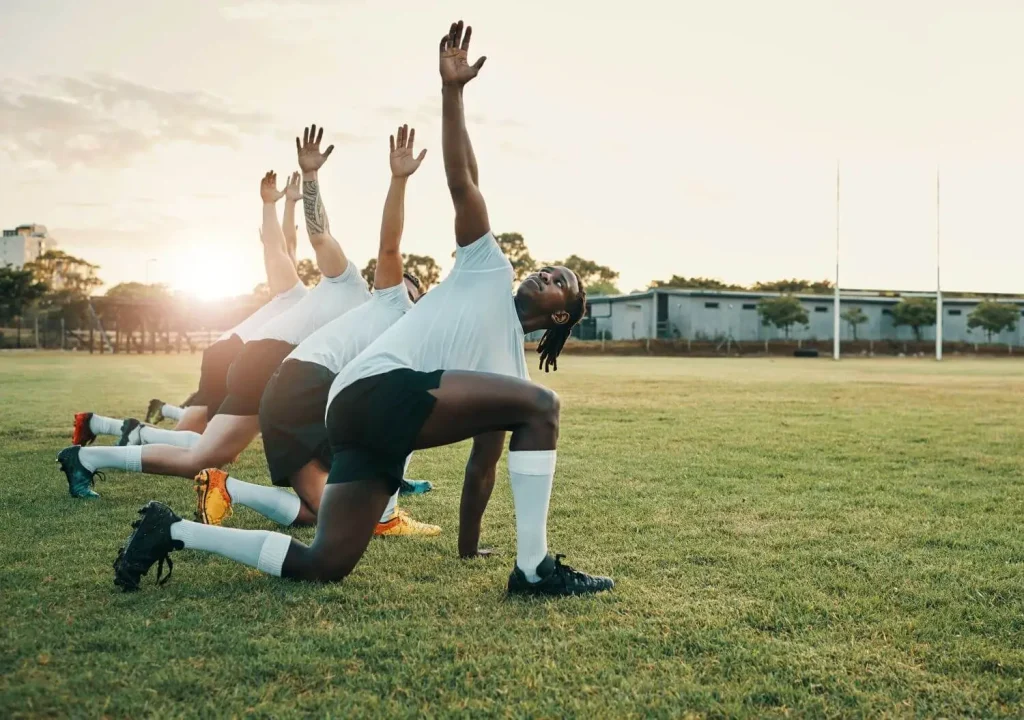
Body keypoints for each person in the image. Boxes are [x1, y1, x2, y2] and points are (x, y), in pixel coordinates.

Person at [112, 21, 613, 598]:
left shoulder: (509, 378)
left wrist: (468, 547)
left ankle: (172, 531)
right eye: (548, 269)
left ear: (560, 317)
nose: (546, 274)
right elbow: (463, 181)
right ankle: (535, 571)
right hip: (371, 390)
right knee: (543, 406)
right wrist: (452, 92)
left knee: (324, 562)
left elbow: (482, 469)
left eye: (560, 283)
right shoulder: (487, 269)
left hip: (366, 426)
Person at [58, 125, 372, 498]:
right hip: (267, 361)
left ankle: (87, 458)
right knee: (204, 450)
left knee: (205, 455)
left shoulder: (382, 324)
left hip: (267, 363)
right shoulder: (348, 283)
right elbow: (308, 240)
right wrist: (307, 178)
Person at [193, 123, 439, 537]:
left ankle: (227, 487)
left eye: (416, 292)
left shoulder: (408, 340)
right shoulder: (387, 301)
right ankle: (227, 486)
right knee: (345, 518)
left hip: (311, 397)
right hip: (299, 391)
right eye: (406, 288)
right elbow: (363, 241)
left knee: (318, 511)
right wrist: (389, 180)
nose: (410, 295)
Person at [69, 172, 308, 464]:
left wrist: (288, 204)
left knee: (197, 438)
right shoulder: (297, 295)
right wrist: (274, 205)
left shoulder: (302, 299)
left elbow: (288, 248)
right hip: (234, 355)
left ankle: (97, 425)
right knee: (208, 445)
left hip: (229, 352)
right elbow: (283, 248)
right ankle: (121, 441)